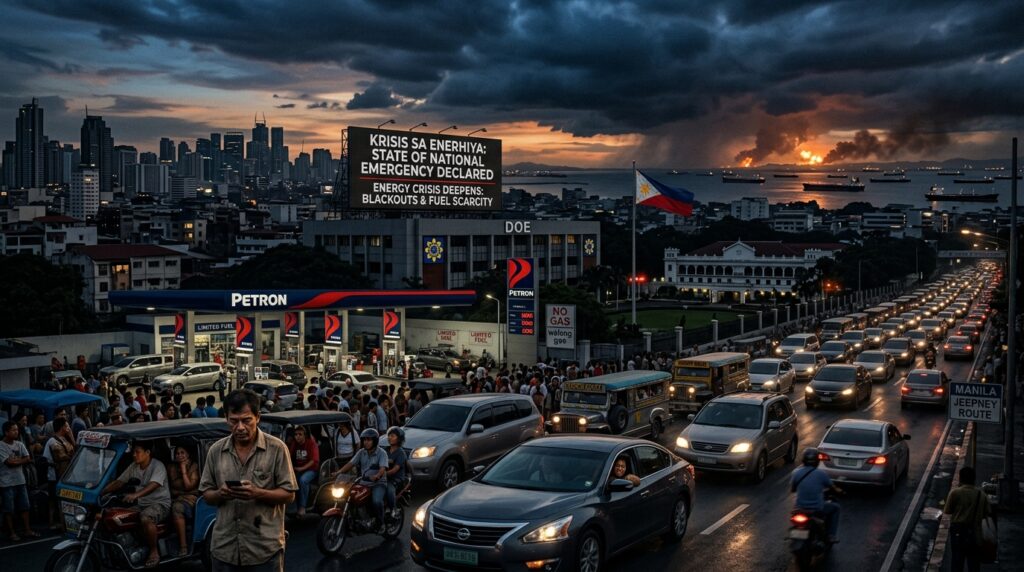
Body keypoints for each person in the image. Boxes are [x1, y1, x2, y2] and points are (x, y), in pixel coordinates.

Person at [199, 389, 296, 572]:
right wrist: (220, 494)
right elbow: (206, 494)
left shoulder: (276, 449)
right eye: (234, 421)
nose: (240, 427)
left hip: (264, 551)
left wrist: (258, 493)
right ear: (226, 419)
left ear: (257, 417)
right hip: (224, 550)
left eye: (246, 420)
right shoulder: (215, 451)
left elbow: (289, 495)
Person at [102, 441, 171, 567]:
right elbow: (119, 482)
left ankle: (154, 552)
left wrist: (136, 495)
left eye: (137, 452)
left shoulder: (157, 465)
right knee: (119, 516)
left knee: (145, 517)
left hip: (160, 504)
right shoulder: (134, 466)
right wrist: (101, 491)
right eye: (133, 452)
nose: (134, 455)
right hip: (142, 504)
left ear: (147, 453)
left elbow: (154, 484)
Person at [334, 428, 388, 532]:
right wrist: (338, 472)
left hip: (378, 483)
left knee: (377, 501)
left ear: (375, 441)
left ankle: (381, 523)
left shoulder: (382, 453)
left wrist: (377, 475)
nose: (366, 442)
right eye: (364, 440)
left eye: (369, 440)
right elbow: (351, 464)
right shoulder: (361, 452)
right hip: (363, 483)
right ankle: (357, 518)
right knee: (349, 495)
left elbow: (382, 469)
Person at [944, 466, 992, 572]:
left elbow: (947, 510)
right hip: (975, 532)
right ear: (973, 479)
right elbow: (987, 513)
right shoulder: (982, 495)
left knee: (957, 561)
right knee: (974, 563)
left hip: (958, 532)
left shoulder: (955, 493)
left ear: (961, 478)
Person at [791, 448, 841, 543]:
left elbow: (793, 489)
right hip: (816, 508)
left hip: (799, 508)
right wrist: (840, 491)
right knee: (836, 508)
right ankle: (831, 535)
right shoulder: (821, 474)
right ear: (817, 461)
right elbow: (832, 487)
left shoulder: (796, 473)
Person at [0, 421, 37, 541]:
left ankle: (27, 530)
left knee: (25, 506)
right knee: (9, 509)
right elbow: (9, 463)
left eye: (17, 429)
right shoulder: (1, 446)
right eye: (13, 430)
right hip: (7, 482)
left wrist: (18, 461)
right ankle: (12, 532)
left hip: (20, 480)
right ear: (6, 432)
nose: (16, 432)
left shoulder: (19, 444)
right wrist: (21, 460)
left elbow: (28, 458)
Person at [168, 446, 200, 556]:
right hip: (177, 497)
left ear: (188, 455)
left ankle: (183, 546)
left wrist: (183, 470)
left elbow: (188, 486)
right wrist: (181, 492)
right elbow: (172, 488)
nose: (180, 455)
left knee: (177, 508)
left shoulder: (194, 466)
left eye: (182, 453)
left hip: (191, 499)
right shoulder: (172, 467)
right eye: (177, 453)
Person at [287, 426, 319, 518]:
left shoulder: (312, 444)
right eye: (296, 434)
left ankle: (302, 507)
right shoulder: (294, 444)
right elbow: (288, 455)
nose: (298, 437)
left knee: (303, 480)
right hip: (298, 469)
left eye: (300, 434)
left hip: (311, 469)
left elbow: (314, 460)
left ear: (305, 435)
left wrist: (302, 468)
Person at [383, 427, 409, 517]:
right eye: (389, 435)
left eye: (392, 436)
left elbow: (395, 470)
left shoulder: (401, 453)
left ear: (399, 438)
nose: (390, 437)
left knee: (389, 490)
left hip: (396, 479)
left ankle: (392, 509)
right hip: (384, 477)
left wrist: (382, 474)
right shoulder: (385, 450)